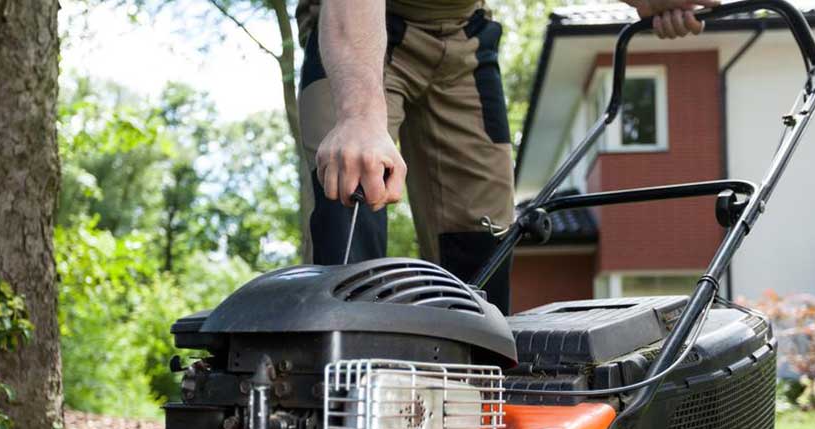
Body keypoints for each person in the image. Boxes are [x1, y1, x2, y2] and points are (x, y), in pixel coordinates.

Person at [296, 0, 715, 313]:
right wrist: (360, 116)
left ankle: (474, 405)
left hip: (464, 36)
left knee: (483, 248)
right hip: (360, 25)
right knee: (352, 196)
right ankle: (340, 404)